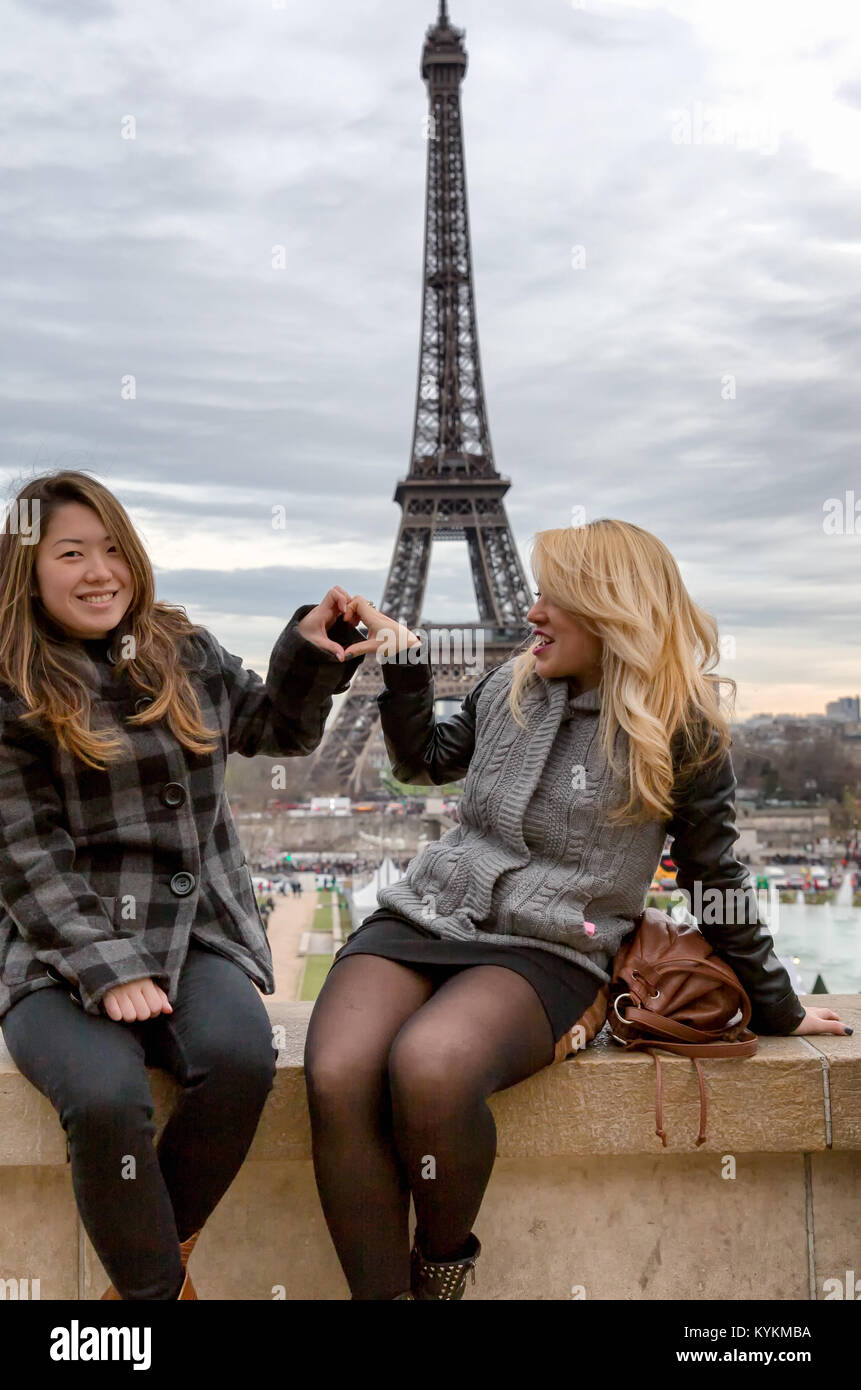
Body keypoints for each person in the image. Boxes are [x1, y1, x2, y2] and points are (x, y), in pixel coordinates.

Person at [303, 519, 851, 1302]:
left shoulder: (681, 728)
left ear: (609, 607)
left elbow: (711, 871)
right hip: (428, 911)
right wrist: (404, 664)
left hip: (551, 945)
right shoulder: (508, 684)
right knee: (336, 1070)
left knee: (430, 1068)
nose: (531, 612)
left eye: (552, 596)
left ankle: (439, 1273)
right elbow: (421, 763)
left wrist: (778, 1004)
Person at [0, 470, 365, 1300]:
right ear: (27, 567)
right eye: (71, 554)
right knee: (103, 1098)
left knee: (239, 1059)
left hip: (192, 928)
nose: (101, 572)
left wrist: (310, 646)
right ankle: (160, 1298)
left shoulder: (182, 647)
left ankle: (145, 1284)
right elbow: (22, 850)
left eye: (113, 550)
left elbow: (273, 728)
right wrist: (107, 963)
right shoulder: (8, 684)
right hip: (62, 945)